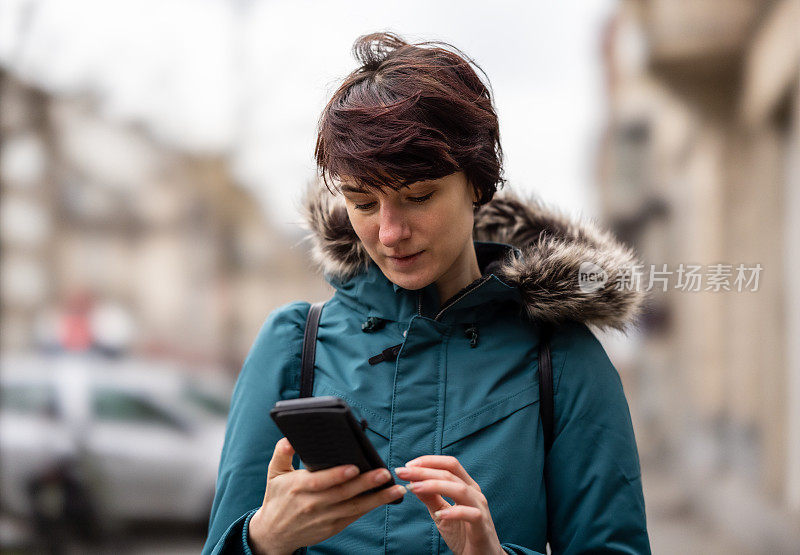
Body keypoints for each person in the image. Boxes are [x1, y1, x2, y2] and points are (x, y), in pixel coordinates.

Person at [203, 32, 651, 555]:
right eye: (363, 203)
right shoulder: (292, 344)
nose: (390, 233)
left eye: (418, 197)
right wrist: (260, 539)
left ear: (478, 184)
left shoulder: (560, 357)